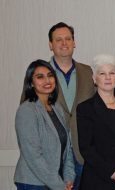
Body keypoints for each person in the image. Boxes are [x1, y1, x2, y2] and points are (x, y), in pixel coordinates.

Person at [21, 22, 95, 189]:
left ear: (74, 42)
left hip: (82, 156)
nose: (64, 43)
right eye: (58, 39)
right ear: (50, 45)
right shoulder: (38, 75)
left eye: (68, 38)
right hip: (47, 163)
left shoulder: (89, 72)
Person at [76, 54, 115, 189]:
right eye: (102, 73)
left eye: (112, 73)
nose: (107, 77)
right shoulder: (85, 109)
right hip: (99, 180)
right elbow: (86, 148)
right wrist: (112, 172)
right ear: (94, 78)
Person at [14, 60, 75, 190]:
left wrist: (68, 178)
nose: (47, 80)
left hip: (57, 182)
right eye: (40, 77)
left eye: (50, 75)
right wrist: (59, 185)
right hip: (33, 183)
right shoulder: (27, 110)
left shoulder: (57, 108)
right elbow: (33, 155)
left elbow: (67, 148)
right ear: (31, 83)